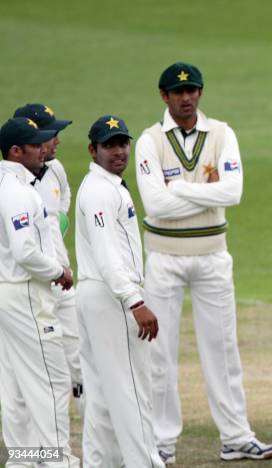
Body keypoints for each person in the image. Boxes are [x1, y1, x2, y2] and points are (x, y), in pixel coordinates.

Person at [135, 62, 272, 463]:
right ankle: (161, 442)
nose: (186, 97)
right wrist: (203, 190)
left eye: (192, 90)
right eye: (177, 92)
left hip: (213, 254)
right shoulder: (149, 140)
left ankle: (235, 437)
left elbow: (233, 193)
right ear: (163, 96)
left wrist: (178, 187)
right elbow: (153, 203)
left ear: (200, 92)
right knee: (160, 352)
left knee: (223, 349)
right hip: (163, 256)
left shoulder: (221, 133)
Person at [75, 115, 163, 467]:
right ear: (92, 150)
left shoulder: (106, 185)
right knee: (131, 392)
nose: (118, 151)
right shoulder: (99, 190)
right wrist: (135, 300)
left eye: (122, 143)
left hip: (99, 294)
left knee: (101, 393)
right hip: (112, 297)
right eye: (109, 145)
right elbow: (107, 253)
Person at [0, 117, 79, 467]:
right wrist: (58, 270)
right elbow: (25, 252)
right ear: (16, 151)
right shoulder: (17, 192)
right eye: (36, 145)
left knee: (16, 386)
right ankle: (56, 461)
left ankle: (23, 460)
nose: (44, 149)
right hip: (26, 295)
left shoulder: (9, 184)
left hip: (10, 294)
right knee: (52, 380)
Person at [13, 103, 84, 407]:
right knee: (32, 375)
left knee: (81, 357)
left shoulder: (56, 169)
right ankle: (29, 452)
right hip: (30, 288)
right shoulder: (12, 184)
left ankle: (93, 445)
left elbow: (63, 200)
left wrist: (55, 227)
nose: (57, 140)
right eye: (51, 134)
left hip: (63, 281)